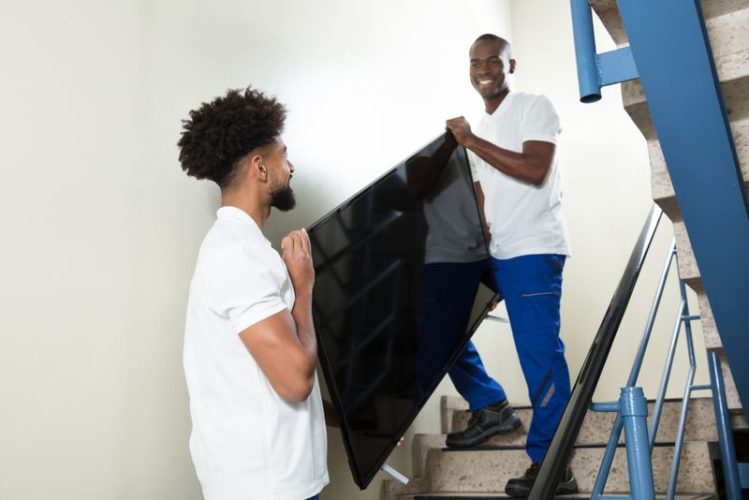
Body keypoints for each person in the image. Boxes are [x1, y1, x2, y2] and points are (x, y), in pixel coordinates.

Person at [178, 87, 328, 500]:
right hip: (266, 488)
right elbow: (296, 380)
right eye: (283, 154)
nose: (291, 166)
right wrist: (304, 288)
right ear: (260, 168)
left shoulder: (241, 249)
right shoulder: (239, 257)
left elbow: (259, 383)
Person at [445, 34, 578, 497]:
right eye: (475, 62)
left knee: (539, 356)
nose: (484, 69)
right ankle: (489, 403)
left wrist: (471, 141)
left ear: (510, 64)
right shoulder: (481, 126)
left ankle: (554, 465)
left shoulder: (533, 106)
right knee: (438, 320)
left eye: (493, 61)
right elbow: (484, 197)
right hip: (497, 251)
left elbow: (534, 169)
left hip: (532, 251)